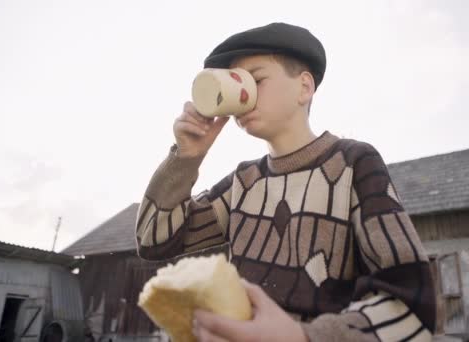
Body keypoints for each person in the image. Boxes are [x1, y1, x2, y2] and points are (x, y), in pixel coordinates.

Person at [135, 22, 436, 342]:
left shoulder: (354, 163)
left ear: (304, 87)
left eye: (256, 79)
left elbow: (412, 305)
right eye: (234, 82)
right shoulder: (243, 182)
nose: (243, 97)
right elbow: (154, 239)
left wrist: (301, 336)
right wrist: (186, 157)